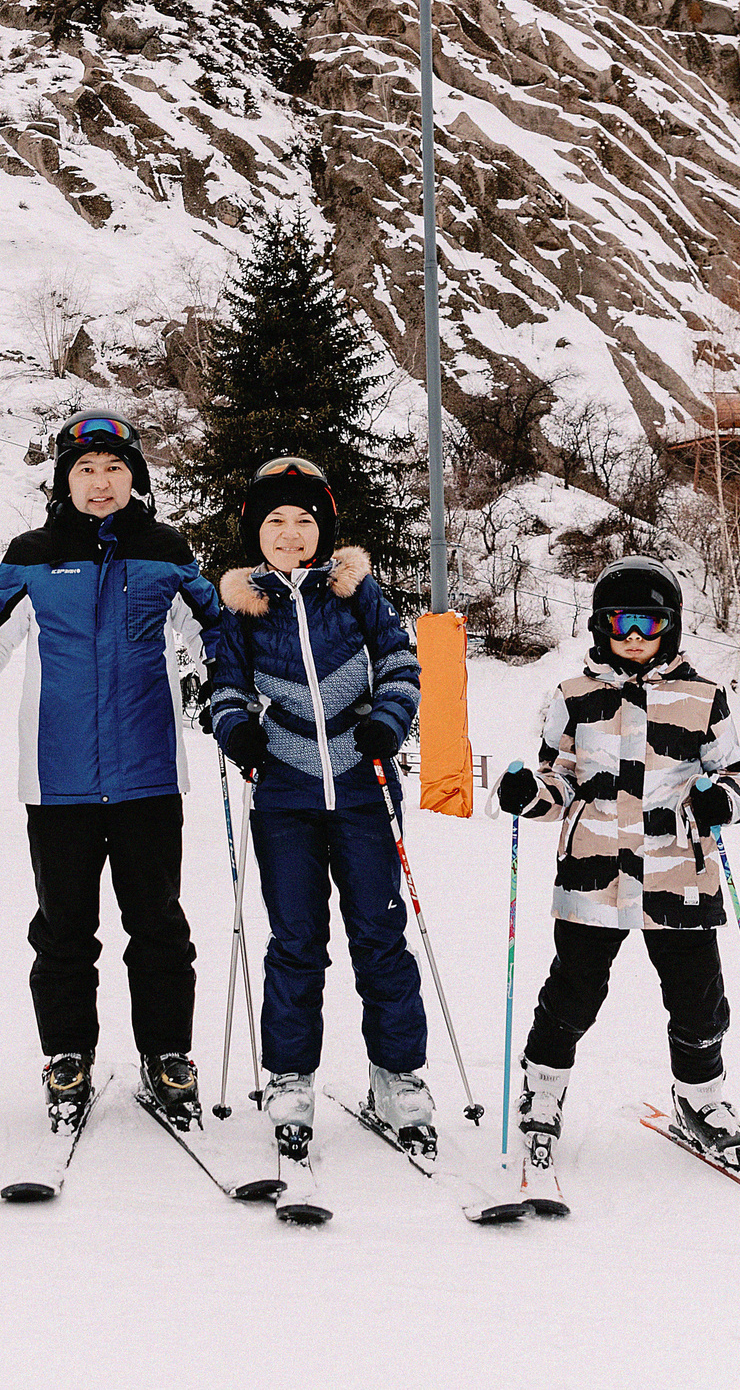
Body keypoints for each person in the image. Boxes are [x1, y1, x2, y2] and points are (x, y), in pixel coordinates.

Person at [0, 411, 223, 1130]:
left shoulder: (164, 550)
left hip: (149, 772)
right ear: (65, 480)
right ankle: (67, 1053)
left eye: (115, 469)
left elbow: (211, 629)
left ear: (135, 478)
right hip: (56, 775)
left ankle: (167, 1053)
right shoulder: (33, 553)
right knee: (64, 928)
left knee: (158, 923)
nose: (100, 482)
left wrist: (230, 689)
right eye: (86, 470)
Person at [494, 557, 740, 1178]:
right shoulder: (572, 697)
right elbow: (559, 778)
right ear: (601, 627)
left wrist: (721, 800)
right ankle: (543, 1087)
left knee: (699, 999)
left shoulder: (704, 698)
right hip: (594, 873)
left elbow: (735, 773)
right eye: (622, 623)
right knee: (573, 991)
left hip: (679, 875)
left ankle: (701, 1098)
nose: (636, 636)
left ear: (671, 626)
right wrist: (529, 794)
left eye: (650, 622)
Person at [205, 458, 432, 1153]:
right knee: (296, 941)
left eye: (304, 520)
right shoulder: (241, 605)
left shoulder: (354, 589)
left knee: (379, 935)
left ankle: (397, 1074)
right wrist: (237, 730)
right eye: (276, 520)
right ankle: (290, 1076)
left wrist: (388, 721)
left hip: (364, 783)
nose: (290, 532)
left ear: (323, 529)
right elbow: (223, 686)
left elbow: (399, 661)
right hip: (285, 792)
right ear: (256, 531)